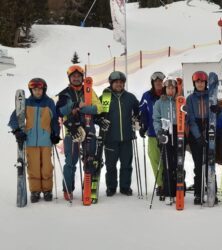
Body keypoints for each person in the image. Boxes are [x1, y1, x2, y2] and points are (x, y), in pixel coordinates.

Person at [9, 78, 60, 203]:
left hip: (46, 141)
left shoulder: (49, 103)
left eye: (40, 89)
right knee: (33, 167)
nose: (37, 92)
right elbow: (14, 117)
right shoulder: (26, 102)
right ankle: (35, 191)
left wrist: (55, 134)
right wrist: (17, 131)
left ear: (44, 89)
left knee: (47, 167)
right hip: (30, 140)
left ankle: (47, 190)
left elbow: (54, 120)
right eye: (34, 89)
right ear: (31, 90)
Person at [56, 65, 102, 201]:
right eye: (73, 76)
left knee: (90, 158)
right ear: (69, 78)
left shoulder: (88, 90)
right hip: (72, 130)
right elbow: (60, 111)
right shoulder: (64, 94)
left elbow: (98, 108)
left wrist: (83, 108)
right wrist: (74, 105)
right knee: (71, 160)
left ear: (82, 77)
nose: (76, 78)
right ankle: (68, 189)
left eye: (78, 76)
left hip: (88, 127)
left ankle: (88, 187)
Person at [100, 71, 139, 196]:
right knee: (110, 165)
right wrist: (100, 121)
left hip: (127, 137)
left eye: (121, 82)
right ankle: (111, 187)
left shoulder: (130, 97)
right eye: (116, 82)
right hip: (110, 137)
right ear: (111, 83)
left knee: (126, 164)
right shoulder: (105, 97)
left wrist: (136, 119)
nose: (118, 84)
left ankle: (125, 187)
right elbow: (97, 115)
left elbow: (139, 112)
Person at [186, 70, 218, 205]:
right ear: (194, 83)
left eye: (202, 82)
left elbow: (216, 116)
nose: (200, 84)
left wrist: (218, 111)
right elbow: (190, 119)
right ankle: (198, 194)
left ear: (206, 83)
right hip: (196, 133)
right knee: (199, 165)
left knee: (210, 164)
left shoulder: (210, 96)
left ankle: (212, 192)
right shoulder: (190, 98)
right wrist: (198, 136)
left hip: (209, 130)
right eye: (197, 82)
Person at [139, 71, 165, 199]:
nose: (159, 83)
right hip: (153, 133)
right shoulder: (147, 96)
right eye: (156, 82)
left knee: (167, 159)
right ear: (153, 83)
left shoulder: (168, 94)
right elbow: (142, 110)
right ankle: (160, 184)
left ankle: (168, 182)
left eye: (160, 81)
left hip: (168, 133)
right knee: (154, 159)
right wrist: (143, 124)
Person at [153, 77, 179, 205]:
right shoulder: (159, 102)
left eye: (173, 88)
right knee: (167, 163)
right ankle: (168, 191)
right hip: (165, 133)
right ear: (165, 89)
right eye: (168, 88)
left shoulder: (179, 101)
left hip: (177, 132)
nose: (170, 90)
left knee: (177, 163)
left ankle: (178, 190)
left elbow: (185, 116)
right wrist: (159, 133)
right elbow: (156, 119)